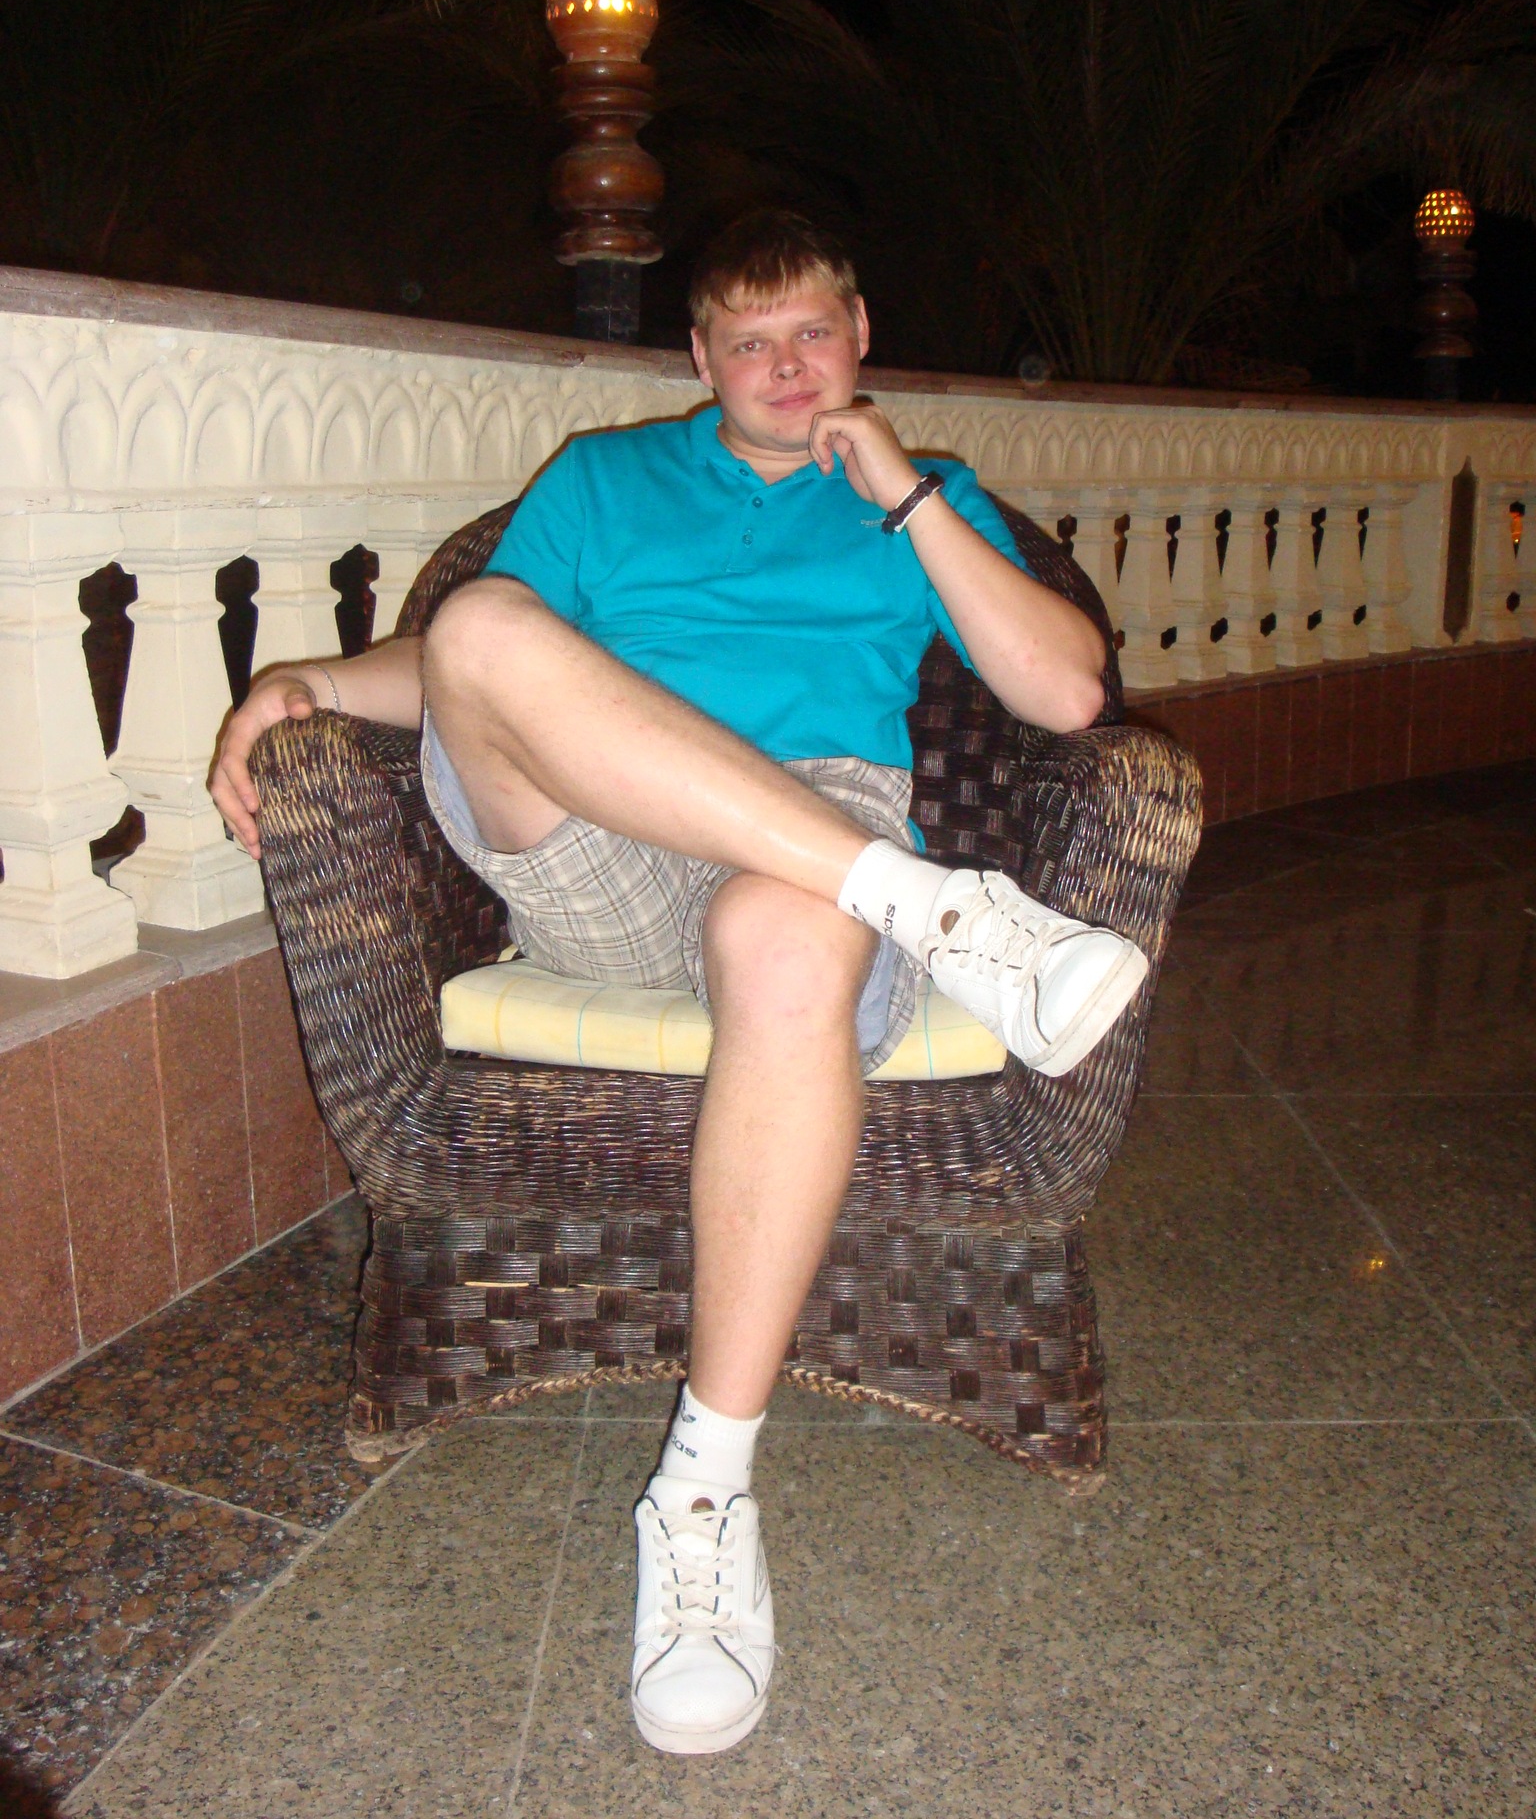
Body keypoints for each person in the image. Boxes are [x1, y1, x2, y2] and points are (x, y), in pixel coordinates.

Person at [210, 211, 1147, 1758]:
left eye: (813, 333)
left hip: (818, 837)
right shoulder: (603, 481)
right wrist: (303, 682)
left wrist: (908, 496)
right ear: (701, 359)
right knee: (486, 621)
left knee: (786, 934)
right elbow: (463, 672)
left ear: (862, 336)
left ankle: (702, 1494)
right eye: (749, 341)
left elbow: (1065, 692)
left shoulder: (926, 495)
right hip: (608, 846)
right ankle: (944, 913)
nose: (785, 366)